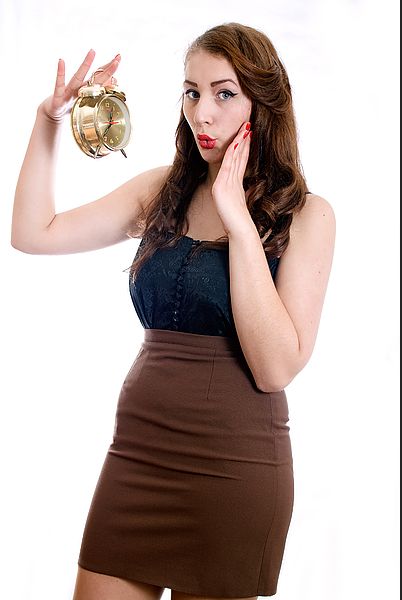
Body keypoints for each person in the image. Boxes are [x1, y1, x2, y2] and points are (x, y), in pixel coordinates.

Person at [11, 22, 335, 600]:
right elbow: (34, 234)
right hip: (138, 456)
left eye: (223, 92)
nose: (202, 112)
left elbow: (275, 368)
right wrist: (48, 121)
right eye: (191, 91)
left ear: (263, 102)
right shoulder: (162, 190)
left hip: (235, 472)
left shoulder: (306, 215)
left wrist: (239, 222)